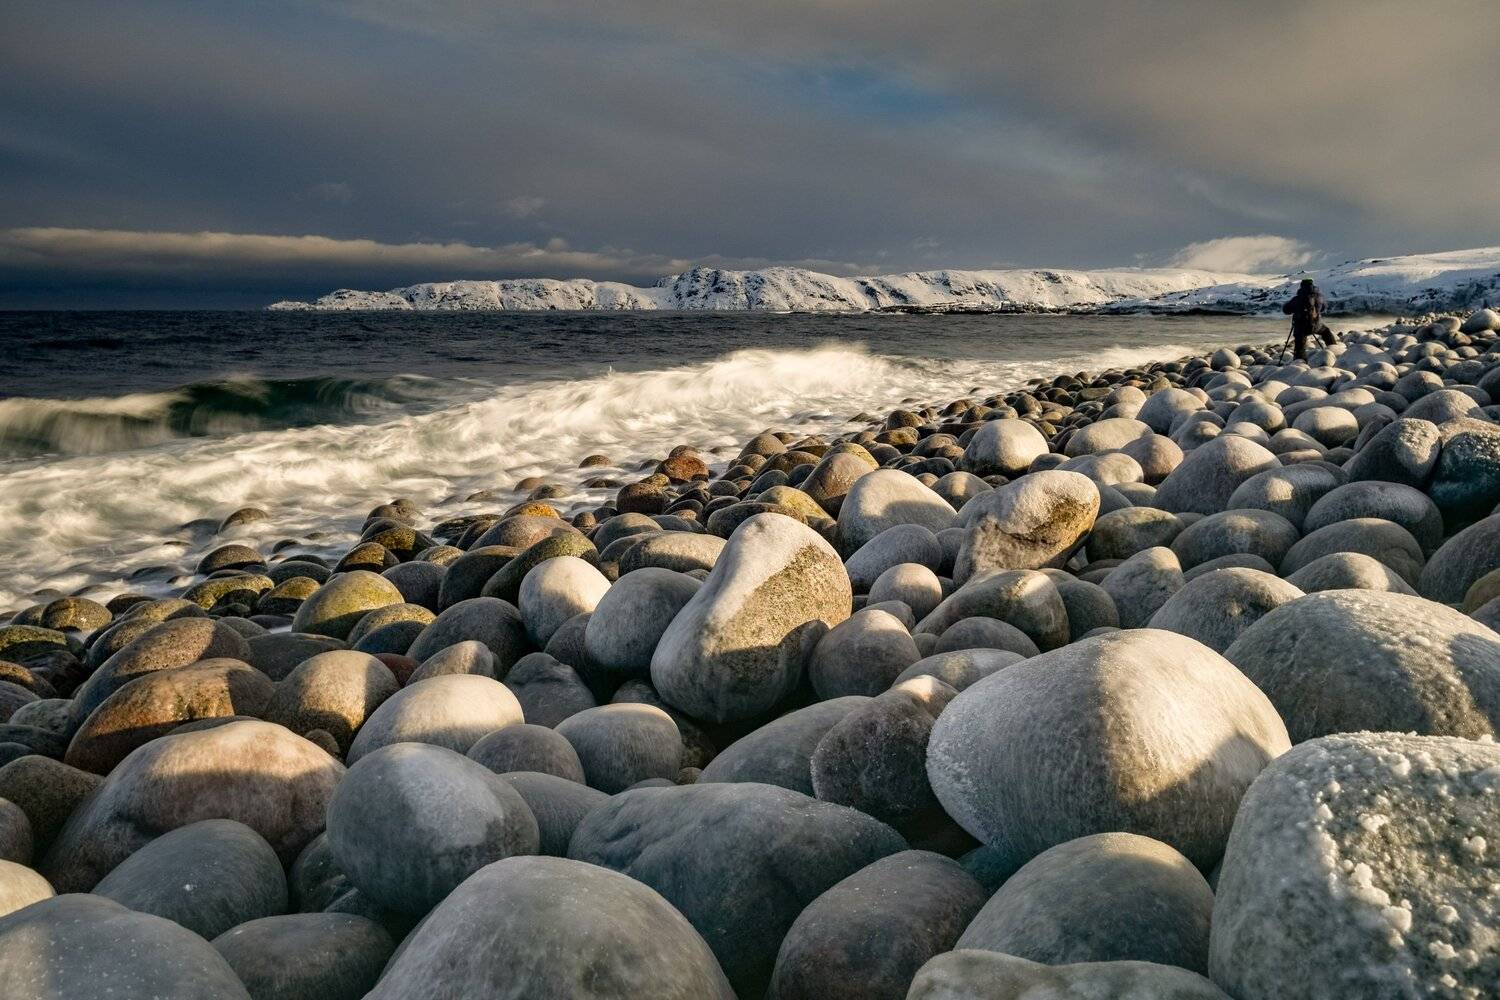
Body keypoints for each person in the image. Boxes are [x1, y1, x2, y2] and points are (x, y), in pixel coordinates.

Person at [1282, 277, 1336, 360]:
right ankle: (1334, 350)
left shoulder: (1297, 299)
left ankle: (1299, 361)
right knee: (1326, 332)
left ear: (1301, 286)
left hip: (1301, 328)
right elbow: (1323, 308)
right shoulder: (1319, 297)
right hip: (1316, 326)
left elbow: (1286, 310)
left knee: (1300, 344)